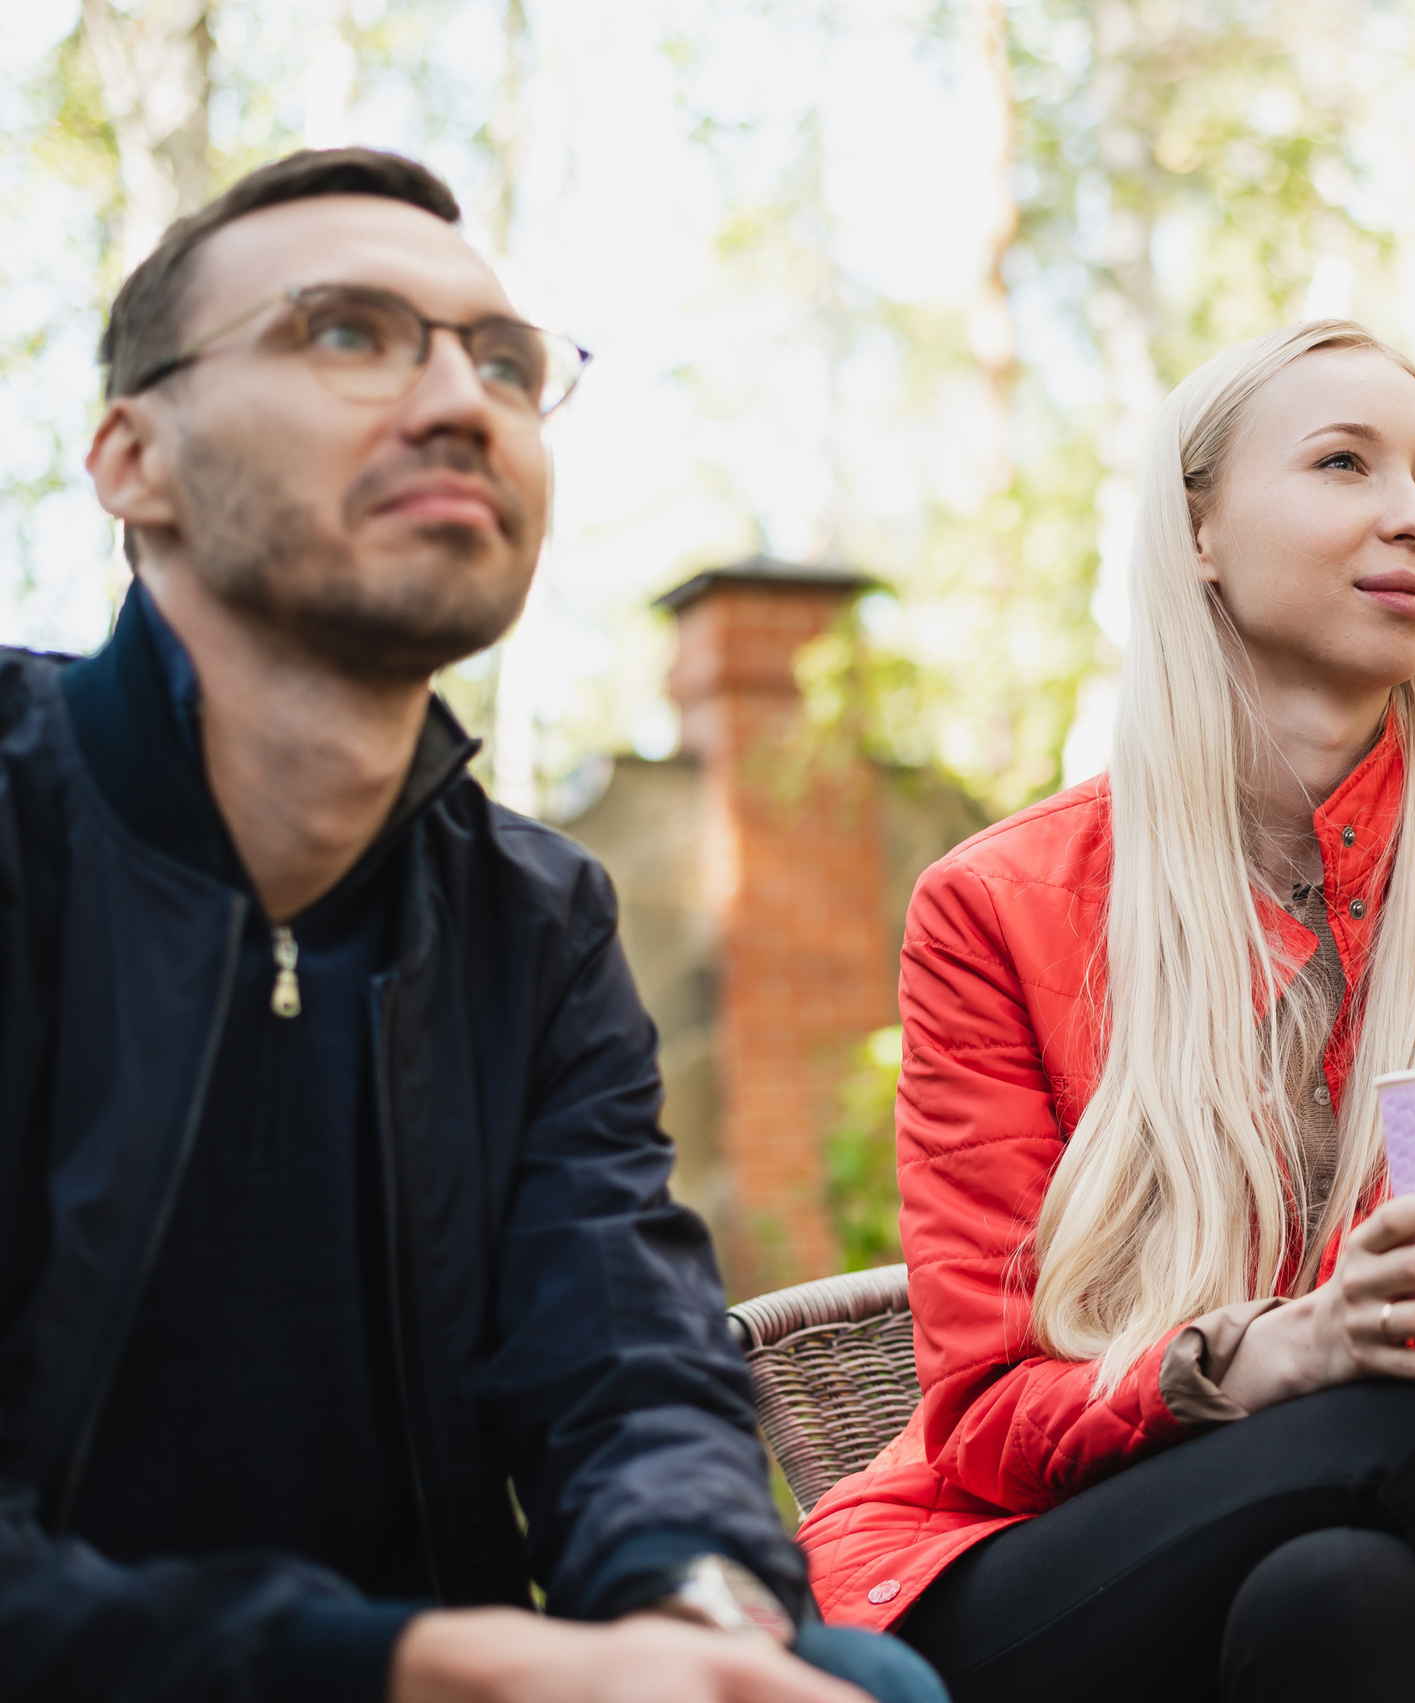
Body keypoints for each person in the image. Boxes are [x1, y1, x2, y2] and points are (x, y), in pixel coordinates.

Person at [0, 149, 942, 1703]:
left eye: (502, 359)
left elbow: (629, 1373)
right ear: (131, 458)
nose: (460, 400)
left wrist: (701, 1613)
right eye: (348, 334)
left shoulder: (537, 918)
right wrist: (424, 1662)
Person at [793, 320, 1415, 1702]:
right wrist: (1285, 1349)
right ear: (1198, 530)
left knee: (1345, 1596)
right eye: (1342, 464)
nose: (1412, 516)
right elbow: (983, 1419)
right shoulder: (1000, 902)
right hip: (1025, 1564)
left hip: (1345, 1521)